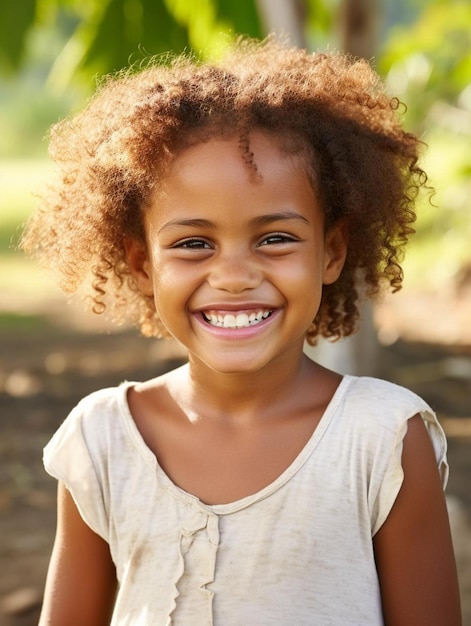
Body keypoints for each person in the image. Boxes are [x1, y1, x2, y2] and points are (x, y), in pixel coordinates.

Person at [22, 36, 461, 625]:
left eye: (275, 238)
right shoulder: (102, 442)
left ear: (331, 252)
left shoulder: (382, 439)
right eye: (193, 243)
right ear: (141, 264)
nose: (233, 276)